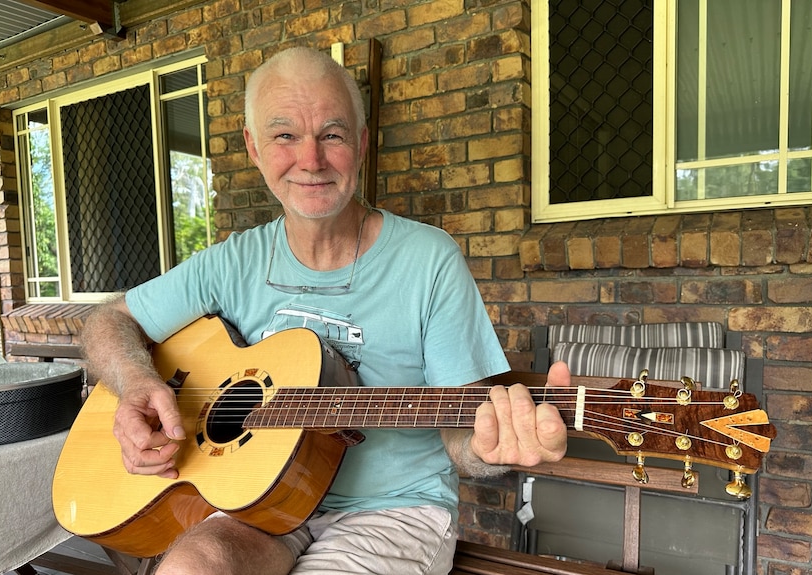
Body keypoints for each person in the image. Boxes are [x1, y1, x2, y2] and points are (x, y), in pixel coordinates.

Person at [81, 46, 570, 575]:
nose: (310, 160)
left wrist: (489, 446)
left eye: (331, 134)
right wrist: (135, 385)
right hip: (257, 506)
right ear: (253, 146)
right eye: (285, 135)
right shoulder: (231, 262)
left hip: (391, 513)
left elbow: (461, 431)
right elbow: (108, 320)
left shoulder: (429, 259)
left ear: (359, 145)